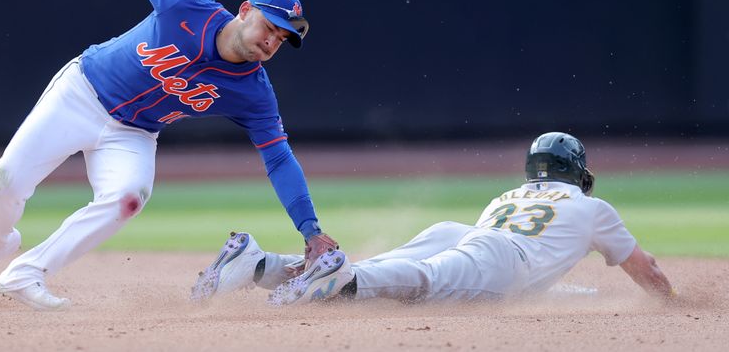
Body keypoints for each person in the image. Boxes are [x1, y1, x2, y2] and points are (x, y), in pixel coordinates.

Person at [0, 0, 339, 311]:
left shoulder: (254, 91)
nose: (272, 40)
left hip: (133, 133)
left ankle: (28, 272)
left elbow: (278, 158)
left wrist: (311, 230)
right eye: (270, 26)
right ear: (246, 9)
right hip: (82, 92)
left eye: (282, 38)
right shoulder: (187, 1)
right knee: (7, 181)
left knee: (128, 197)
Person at [191, 132, 675, 306]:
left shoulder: (507, 195)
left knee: (379, 268)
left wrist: (575, 297)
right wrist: (674, 302)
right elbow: (646, 269)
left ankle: (258, 265)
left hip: (464, 233)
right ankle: (329, 275)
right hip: (499, 257)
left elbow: (508, 270)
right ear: (578, 172)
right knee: (416, 283)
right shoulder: (592, 208)